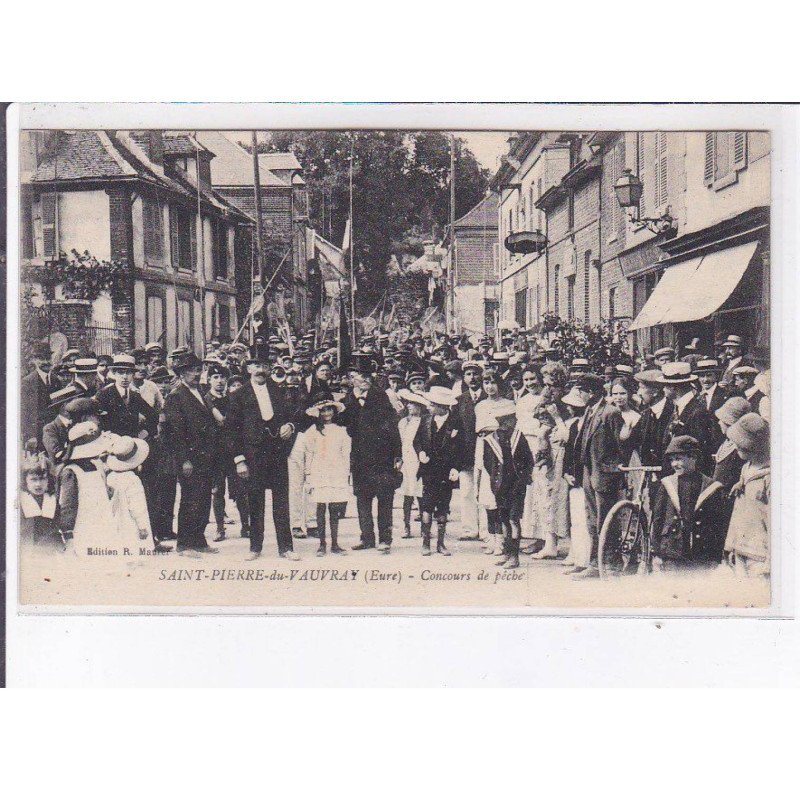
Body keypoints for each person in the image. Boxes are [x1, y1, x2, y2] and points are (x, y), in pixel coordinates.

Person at [226, 337, 299, 560]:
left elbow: (291, 415)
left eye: (265, 366)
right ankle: (255, 547)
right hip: (253, 454)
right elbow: (232, 430)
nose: (260, 370)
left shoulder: (279, 391)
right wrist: (239, 460)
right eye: (256, 365)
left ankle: (286, 547)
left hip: (277, 453)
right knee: (255, 501)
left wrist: (290, 426)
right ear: (249, 368)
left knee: (281, 501)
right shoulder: (238, 395)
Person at [340, 353, 402, 554]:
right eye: (361, 376)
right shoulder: (348, 399)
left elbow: (393, 426)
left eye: (368, 376)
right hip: (360, 457)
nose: (365, 380)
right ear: (353, 378)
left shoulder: (381, 397)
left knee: (385, 497)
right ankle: (366, 537)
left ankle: (385, 539)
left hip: (382, 456)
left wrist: (397, 454)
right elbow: (343, 424)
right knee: (362, 498)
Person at [163, 353, 220, 555]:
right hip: (189, 457)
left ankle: (199, 540)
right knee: (190, 499)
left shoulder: (201, 392)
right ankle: (184, 544)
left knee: (203, 498)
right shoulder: (176, 396)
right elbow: (175, 432)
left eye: (198, 370)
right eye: (190, 371)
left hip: (206, 455)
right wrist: (184, 459)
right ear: (181, 374)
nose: (196, 374)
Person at [572, 373, 624, 580]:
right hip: (590, 472)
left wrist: (613, 470)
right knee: (592, 521)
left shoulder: (610, 413)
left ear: (592, 392)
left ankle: (611, 564)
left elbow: (621, 446)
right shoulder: (589, 410)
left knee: (607, 521)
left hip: (605, 475)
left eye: (581, 391)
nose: (579, 396)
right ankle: (596, 563)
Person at [650, 435, 726, 571]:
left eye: (678, 459)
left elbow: (718, 524)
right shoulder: (667, 484)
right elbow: (658, 519)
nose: (674, 464)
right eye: (672, 460)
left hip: (702, 554)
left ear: (693, 457)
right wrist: (656, 552)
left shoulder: (711, 486)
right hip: (672, 552)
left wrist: (716, 557)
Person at [414, 386, 464, 557]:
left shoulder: (455, 422)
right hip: (428, 470)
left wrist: (456, 468)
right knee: (426, 506)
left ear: (441, 406)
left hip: (446, 471)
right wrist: (420, 452)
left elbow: (461, 447)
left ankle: (441, 544)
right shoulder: (425, 420)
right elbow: (417, 440)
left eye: (431, 404)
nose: (428, 407)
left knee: (443, 507)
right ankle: (425, 543)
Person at [57, 421, 116, 557]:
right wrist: (68, 534)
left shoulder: (96, 466)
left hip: (102, 523)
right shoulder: (71, 472)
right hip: (83, 526)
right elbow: (68, 505)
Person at [724, 413, 770, 578]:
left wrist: (771, 561)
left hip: (760, 554)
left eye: (739, 444)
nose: (735, 447)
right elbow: (738, 511)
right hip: (741, 546)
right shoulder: (745, 469)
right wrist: (730, 546)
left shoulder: (769, 477)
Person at [304, 395, 351, 556]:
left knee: (334, 508)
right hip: (319, 471)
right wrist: (308, 474)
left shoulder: (341, 431)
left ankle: (335, 544)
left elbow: (346, 454)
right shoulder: (313, 431)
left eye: (329, 410)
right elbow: (309, 453)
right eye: (323, 410)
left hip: (336, 471)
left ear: (334, 411)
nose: (326, 413)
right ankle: (322, 544)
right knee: (320, 507)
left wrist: (345, 473)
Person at [105, 436, 153, 556]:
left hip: (115, 521)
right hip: (131, 524)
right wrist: (142, 526)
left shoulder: (110, 477)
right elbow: (137, 506)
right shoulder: (132, 480)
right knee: (134, 549)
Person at [455, 361, 485, 542]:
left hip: (486, 450)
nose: (472, 378)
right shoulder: (460, 400)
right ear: (464, 378)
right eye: (468, 374)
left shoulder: (489, 397)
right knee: (467, 491)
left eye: (475, 373)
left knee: (485, 490)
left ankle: (486, 529)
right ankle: (469, 528)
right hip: (465, 453)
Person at [95, 354, 158, 439]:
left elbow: (153, 415)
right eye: (120, 372)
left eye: (128, 373)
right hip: (111, 442)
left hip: (133, 441)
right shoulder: (104, 394)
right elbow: (98, 422)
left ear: (133, 374)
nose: (124, 377)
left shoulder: (135, 395)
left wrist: (146, 431)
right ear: (114, 373)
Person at [397, 388, 428, 539]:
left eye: (413, 403)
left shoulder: (425, 422)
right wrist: (399, 459)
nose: (409, 406)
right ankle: (406, 526)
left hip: (420, 461)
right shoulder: (403, 422)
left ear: (420, 406)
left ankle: (424, 527)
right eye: (408, 403)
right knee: (407, 494)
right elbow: (400, 442)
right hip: (407, 461)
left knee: (421, 494)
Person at [20, 451, 62, 551]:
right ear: (25, 480)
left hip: (50, 549)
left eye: (42, 479)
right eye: (33, 479)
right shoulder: (21, 501)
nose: (38, 484)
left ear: (49, 480)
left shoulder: (52, 500)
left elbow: (57, 529)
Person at [21, 340, 55, 448]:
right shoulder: (28, 382)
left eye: (48, 358)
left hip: (54, 434)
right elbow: (25, 412)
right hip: (37, 435)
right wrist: (30, 436)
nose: (46, 362)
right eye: (41, 358)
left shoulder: (56, 380)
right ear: (35, 360)